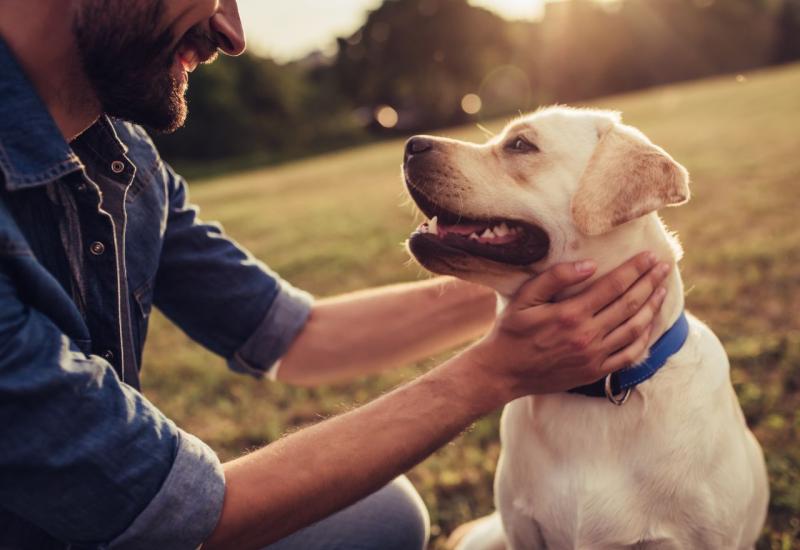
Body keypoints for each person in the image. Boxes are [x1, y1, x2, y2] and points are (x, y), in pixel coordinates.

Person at [0, 1, 670, 549]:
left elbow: (299, 335)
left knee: (380, 516)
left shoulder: (124, 159)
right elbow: (172, 515)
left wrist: (547, 278)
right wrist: (496, 371)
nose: (232, 33)